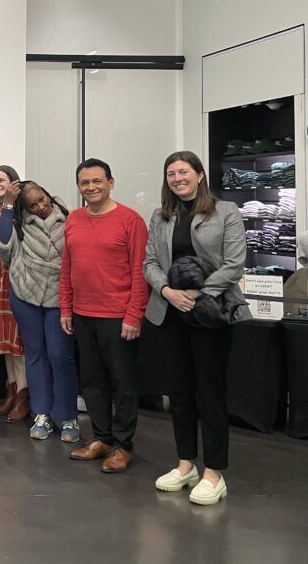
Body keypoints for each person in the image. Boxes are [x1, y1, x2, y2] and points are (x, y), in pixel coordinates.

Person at [144, 150, 251, 505]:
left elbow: (235, 264)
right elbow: (151, 262)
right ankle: (186, 463)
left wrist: (198, 293)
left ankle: (214, 472)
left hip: (211, 315)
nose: (178, 178)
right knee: (180, 393)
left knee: (210, 394)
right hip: (171, 314)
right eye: (171, 173)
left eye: (184, 171)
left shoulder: (227, 212)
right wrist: (168, 291)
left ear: (200, 175)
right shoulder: (161, 217)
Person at [61, 159, 149, 471]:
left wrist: (134, 315)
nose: (91, 187)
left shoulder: (131, 220)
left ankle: (123, 446)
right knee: (93, 381)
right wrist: (65, 308)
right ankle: (102, 438)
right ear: (78, 187)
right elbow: (67, 268)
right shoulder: (73, 219)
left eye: (97, 181)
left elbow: (141, 272)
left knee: (123, 383)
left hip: (118, 316)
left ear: (111, 182)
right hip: (83, 314)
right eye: (85, 183)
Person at [0, 179, 75, 441]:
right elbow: (3, 247)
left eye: (43, 199)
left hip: (58, 296)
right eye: (33, 204)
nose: (41, 206)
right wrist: (7, 206)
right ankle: (41, 414)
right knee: (35, 355)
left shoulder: (67, 216)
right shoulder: (17, 222)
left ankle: (68, 416)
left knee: (60, 356)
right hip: (26, 294)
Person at [0, 165, 29, 421]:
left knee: (17, 343)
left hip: (13, 279)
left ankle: (23, 395)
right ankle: (11, 392)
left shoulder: (19, 210)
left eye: (1, 179)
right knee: (4, 344)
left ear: (13, 182)